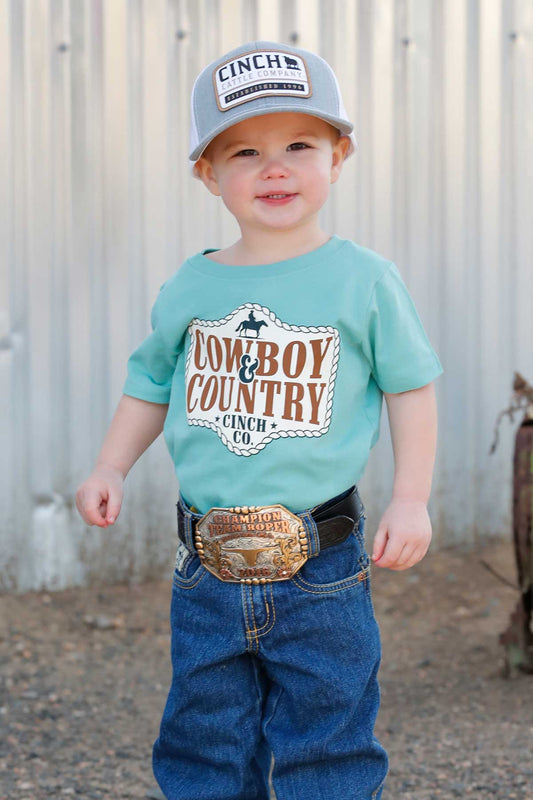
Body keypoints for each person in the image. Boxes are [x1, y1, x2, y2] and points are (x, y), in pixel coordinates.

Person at [76, 40, 443, 800]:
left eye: (299, 145)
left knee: (327, 739)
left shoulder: (363, 280)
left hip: (322, 566)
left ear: (338, 157)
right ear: (208, 174)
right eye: (244, 151)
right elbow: (149, 382)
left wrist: (411, 497)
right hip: (204, 564)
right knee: (204, 738)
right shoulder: (192, 284)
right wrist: (112, 464)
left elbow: (410, 388)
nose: (273, 167)